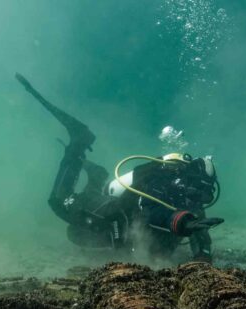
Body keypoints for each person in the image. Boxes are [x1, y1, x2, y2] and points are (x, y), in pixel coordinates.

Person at [17, 73, 221, 262]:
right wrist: (181, 222)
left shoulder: (190, 199)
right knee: (58, 202)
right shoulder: (165, 182)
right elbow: (147, 210)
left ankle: (96, 176)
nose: (200, 199)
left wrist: (203, 257)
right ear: (189, 180)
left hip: (119, 227)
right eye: (199, 190)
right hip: (111, 213)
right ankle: (79, 142)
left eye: (205, 194)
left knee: (76, 234)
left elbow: (200, 231)